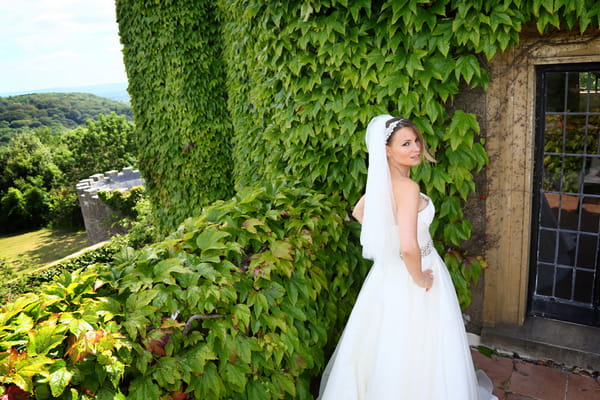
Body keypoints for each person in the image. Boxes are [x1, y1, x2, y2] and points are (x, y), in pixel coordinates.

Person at [318, 115, 497, 399]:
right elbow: (409, 247)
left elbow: (359, 212)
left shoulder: (383, 182)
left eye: (416, 141)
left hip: (388, 274)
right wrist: (420, 277)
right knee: (420, 344)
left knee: (388, 345)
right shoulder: (408, 188)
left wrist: (388, 240)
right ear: (387, 150)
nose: (415, 148)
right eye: (406, 144)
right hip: (415, 271)